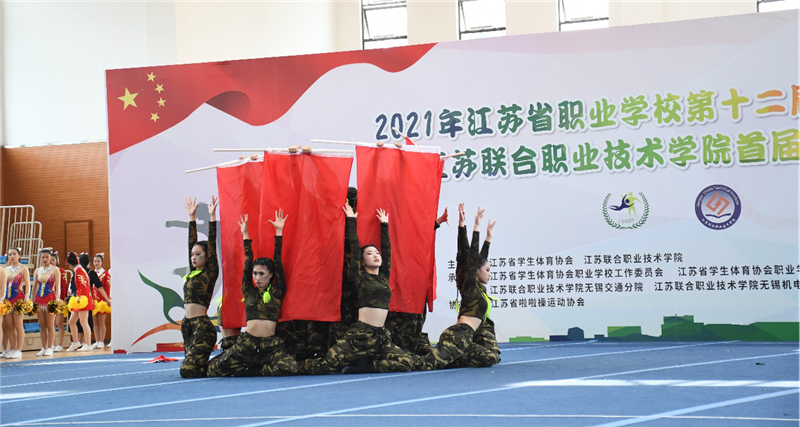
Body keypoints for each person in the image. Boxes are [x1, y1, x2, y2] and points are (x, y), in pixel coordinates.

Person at [299, 205, 413, 375]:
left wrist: (384, 225)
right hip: (361, 334)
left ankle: (368, 366)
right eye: (369, 254)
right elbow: (354, 246)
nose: (376, 255)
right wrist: (351, 220)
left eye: (376, 253)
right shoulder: (360, 277)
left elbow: (387, 251)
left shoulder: (383, 277)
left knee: (406, 362)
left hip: (381, 336)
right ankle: (294, 367)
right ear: (363, 261)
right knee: (327, 365)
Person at [207, 211, 297, 377]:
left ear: (271, 275)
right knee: (213, 370)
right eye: (255, 274)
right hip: (248, 343)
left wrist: (279, 232)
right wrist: (245, 235)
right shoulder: (249, 291)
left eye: (262, 274)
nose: (257, 278)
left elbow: (278, 261)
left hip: (270, 345)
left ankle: (256, 369)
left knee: (290, 367)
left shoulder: (277, 292)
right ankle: (247, 366)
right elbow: (248, 262)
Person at [413, 205, 500, 371]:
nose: (490, 274)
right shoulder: (470, 287)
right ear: (476, 271)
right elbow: (469, 255)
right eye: (487, 270)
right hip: (458, 334)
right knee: (424, 365)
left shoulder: (479, 289)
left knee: (491, 357)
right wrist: (473, 227)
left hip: (468, 337)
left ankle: (444, 355)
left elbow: (478, 258)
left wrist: (488, 238)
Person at [384, 207, 449, 356]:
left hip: (413, 285)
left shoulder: (414, 241)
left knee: (415, 325)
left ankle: (410, 349)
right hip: (397, 285)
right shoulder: (394, 235)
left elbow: (420, 236)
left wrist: (438, 222)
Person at [180, 197, 219, 378]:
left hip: (202, 328)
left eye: (198, 254)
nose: (194, 258)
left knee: (188, 372)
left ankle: (222, 363)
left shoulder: (209, 273)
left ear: (207, 256)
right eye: (192, 255)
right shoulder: (193, 272)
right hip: (188, 325)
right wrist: (191, 218)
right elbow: (191, 242)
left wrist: (212, 217)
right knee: (192, 370)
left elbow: (212, 244)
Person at [3, 247, 30, 359]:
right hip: (7, 299)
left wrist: (27, 298)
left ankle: (18, 350)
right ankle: (12, 348)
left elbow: (28, 284)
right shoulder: (6, 269)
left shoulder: (23, 268)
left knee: (18, 325)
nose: (12, 256)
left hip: (18, 298)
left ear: (19, 256)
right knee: (10, 326)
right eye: (10, 254)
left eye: (14, 254)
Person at [33, 248, 61, 356]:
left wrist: (57, 300)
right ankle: (43, 347)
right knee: (42, 325)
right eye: (43, 257)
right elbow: (34, 287)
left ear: (50, 258)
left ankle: (50, 347)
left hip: (50, 299)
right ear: (40, 258)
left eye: (47, 257)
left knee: (50, 324)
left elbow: (58, 286)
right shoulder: (37, 270)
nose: (45, 259)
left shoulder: (55, 270)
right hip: (39, 300)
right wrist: (32, 300)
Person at [66, 252, 95, 352]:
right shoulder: (78, 269)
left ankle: (88, 344)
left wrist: (80, 299)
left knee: (83, 321)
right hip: (80, 298)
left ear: (69, 264)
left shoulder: (79, 270)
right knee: (71, 322)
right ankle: (76, 342)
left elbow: (84, 286)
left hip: (82, 299)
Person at [90, 253, 111, 349]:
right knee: (95, 322)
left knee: (101, 322)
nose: (96, 263)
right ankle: (97, 340)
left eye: (98, 261)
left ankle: (102, 341)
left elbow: (107, 287)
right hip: (93, 301)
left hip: (102, 301)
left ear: (102, 262)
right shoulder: (92, 273)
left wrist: (107, 299)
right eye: (95, 261)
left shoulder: (106, 274)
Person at [51, 251, 70, 352]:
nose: (51, 262)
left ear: (57, 261)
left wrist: (63, 299)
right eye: (50, 260)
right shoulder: (46, 271)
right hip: (49, 300)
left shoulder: (61, 271)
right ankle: (52, 344)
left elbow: (64, 286)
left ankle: (60, 344)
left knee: (59, 322)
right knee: (51, 323)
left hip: (59, 300)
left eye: (53, 260)